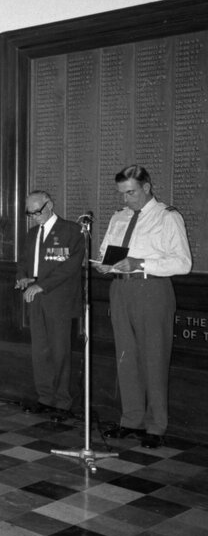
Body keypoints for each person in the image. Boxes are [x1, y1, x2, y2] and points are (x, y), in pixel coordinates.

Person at [95, 165, 191, 449]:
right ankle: (131, 420)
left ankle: (156, 425)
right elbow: (105, 251)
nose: (126, 199)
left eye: (131, 193)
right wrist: (104, 263)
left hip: (152, 289)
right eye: (122, 194)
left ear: (147, 187)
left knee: (154, 357)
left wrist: (141, 263)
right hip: (120, 289)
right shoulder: (119, 217)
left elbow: (183, 263)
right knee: (126, 357)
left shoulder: (167, 217)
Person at [14, 191, 84, 419]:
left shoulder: (72, 231)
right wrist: (23, 277)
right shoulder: (32, 233)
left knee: (60, 351)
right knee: (40, 350)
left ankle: (62, 402)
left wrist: (41, 285)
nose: (35, 217)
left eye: (38, 212)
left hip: (58, 299)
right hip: (36, 297)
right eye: (30, 213)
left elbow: (70, 267)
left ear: (50, 205)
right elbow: (24, 261)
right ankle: (45, 397)